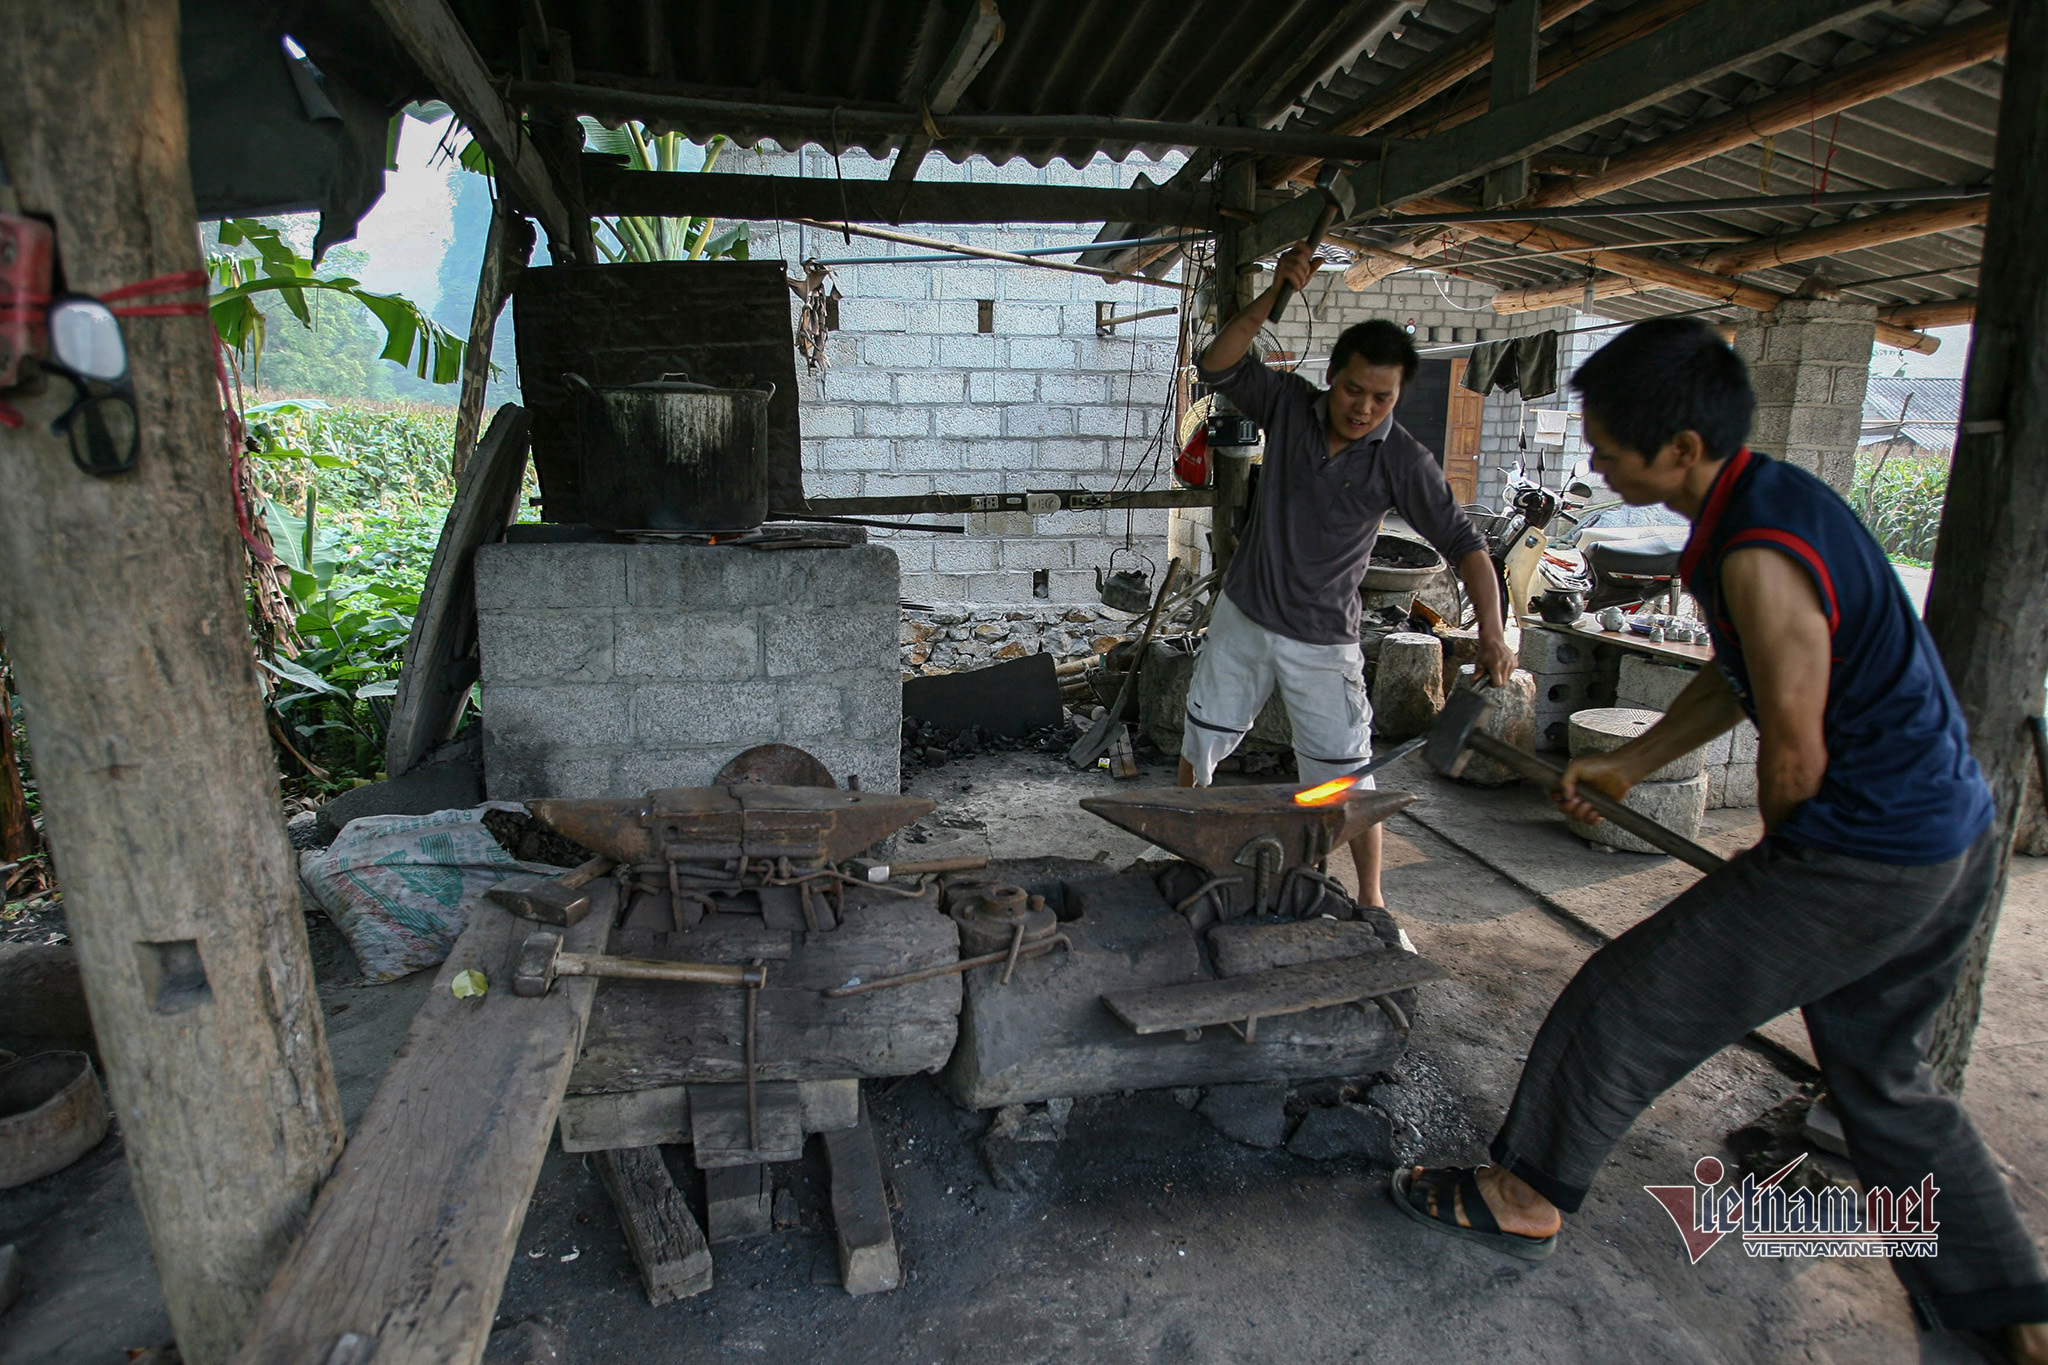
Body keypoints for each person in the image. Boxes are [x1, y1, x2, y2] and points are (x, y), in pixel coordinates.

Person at [1391, 318, 2048, 1363]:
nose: (1595, 463)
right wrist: (1629, 761)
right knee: (1880, 1079)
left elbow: (1789, 754)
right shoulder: (1761, 506)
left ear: (1681, 451)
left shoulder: (1753, 547)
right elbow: (1739, 671)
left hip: (1864, 849)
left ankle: (1522, 1192)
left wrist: (1776, 879)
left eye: (1609, 447)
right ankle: (2009, 1305)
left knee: (1622, 999)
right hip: (1947, 836)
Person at [1184, 241, 1514, 907]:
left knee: (1346, 778)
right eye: (1354, 389)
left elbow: (1463, 542)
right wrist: (1275, 293)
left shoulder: (1402, 459)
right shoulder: (1288, 404)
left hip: (1323, 637)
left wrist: (1496, 632)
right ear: (1331, 375)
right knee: (1201, 738)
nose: (1364, 407)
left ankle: (1371, 899)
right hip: (1245, 613)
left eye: (1382, 396)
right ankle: (1187, 855)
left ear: (1398, 396)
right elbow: (1215, 361)